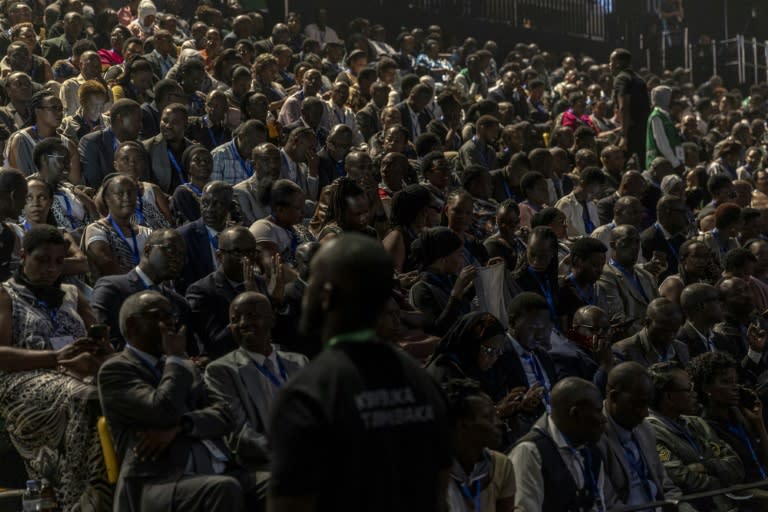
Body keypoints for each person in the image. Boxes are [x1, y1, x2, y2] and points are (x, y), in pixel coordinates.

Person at [268, 234, 452, 510]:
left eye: (312, 279)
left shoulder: (306, 396)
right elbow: (439, 496)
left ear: (326, 296)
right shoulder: (425, 385)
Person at [97, 290, 267, 512]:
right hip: (157, 482)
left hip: (216, 469)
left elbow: (226, 415)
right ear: (132, 325)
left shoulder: (182, 365)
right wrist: (176, 359)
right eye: (159, 315)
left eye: (172, 315)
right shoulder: (117, 370)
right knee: (223, 489)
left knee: (280, 483)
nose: (170, 323)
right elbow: (161, 410)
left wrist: (181, 426)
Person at [0, 225, 113, 510]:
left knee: (122, 389)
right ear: (23, 256)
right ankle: (77, 497)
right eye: (42, 260)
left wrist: (102, 350)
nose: (51, 269)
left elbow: (95, 339)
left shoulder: (73, 294)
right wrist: (57, 358)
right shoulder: (6, 295)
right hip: (23, 378)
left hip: (78, 371)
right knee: (86, 397)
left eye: (58, 262)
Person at [204, 291, 307, 465]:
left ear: (272, 319)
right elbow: (239, 434)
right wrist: (288, 453)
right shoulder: (221, 370)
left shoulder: (299, 362)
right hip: (265, 462)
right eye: (235, 319)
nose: (243, 323)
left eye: (251, 315)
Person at [646, 362, 744, 511]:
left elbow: (736, 466)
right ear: (669, 397)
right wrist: (722, 479)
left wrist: (705, 466)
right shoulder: (651, 432)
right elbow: (682, 479)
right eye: (689, 389)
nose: (695, 393)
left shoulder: (697, 422)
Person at [599, 362, 693, 511]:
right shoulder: (596, 438)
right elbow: (608, 505)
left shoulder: (645, 428)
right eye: (638, 404)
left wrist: (681, 506)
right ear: (614, 397)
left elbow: (665, 485)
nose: (645, 413)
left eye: (647, 404)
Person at [509, 377, 607, 512]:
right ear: (575, 413)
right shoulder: (530, 452)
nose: (604, 419)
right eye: (598, 411)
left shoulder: (591, 450)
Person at [90, 228, 194, 352]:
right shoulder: (112, 288)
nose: (177, 259)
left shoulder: (180, 304)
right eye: (171, 250)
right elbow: (101, 342)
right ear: (147, 250)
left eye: (181, 255)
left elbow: (189, 349)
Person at [186, 227, 281, 358]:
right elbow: (214, 344)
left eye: (250, 252)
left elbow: (276, 332)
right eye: (238, 252)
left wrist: (277, 303)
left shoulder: (260, 282)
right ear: (219, 255)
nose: (246, 259)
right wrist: (250, 306)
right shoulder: (202, 291)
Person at [689, 352, 768, 491]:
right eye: (726, 382)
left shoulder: (738, 415)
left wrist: (758, 422)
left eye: (735, 381)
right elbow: (732, 484)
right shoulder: (704, 428)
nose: (735, 387)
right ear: (706, 388)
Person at [443, 379, 516, 512]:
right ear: (463, 425)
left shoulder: (501, 465)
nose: (498, 422)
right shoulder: (432, 474)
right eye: (488, 417)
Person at [83, 173, 153, 279]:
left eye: (131, 192)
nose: (127, 198)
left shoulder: (147, 232)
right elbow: (107, 266)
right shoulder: (96, 229)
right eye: (120, 193)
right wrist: (145, 280)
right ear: (107, 199)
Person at [409, 227, 475, 336]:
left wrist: (475, 285)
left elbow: (460, 306)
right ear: (444, 259)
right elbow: (438, 330)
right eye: (459, 254)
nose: (462, 259)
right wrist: (456, 292)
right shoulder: (421, 290)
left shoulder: (448, 279)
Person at [6, 90, 80, 182]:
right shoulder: (21, 139)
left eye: (61, 109)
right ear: (37, 111)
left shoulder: (68, 145)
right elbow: (21, 181)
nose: (59, 113)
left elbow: (75, 183)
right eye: (54, 108)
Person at [598, 225, 659, 336]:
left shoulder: (646, 276)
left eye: (637, 242)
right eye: (627, 241)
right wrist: (654, 333)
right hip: (631, 340)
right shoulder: (606, 275)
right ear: (613, 245)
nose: (634, 246)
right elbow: (618, 321)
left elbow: (660, 310)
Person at [31, 137, 97, 238]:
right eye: (63, 160)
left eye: (69, 160)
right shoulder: (29, 192)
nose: (69, 165)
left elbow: (94, 214)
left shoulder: (69, 188)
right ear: (44, 159)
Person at [176, 180, 233, 293]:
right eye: (205, 203)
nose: (209, 209)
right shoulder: (184, 236)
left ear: (230, 206)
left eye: (217, 204)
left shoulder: (236, 235)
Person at [79, 98, 142, 188]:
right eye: (137, 121)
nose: (141, 126)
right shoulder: (91, 143)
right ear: (120, 120)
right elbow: (94, 183)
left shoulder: (138, 146)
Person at [111, 140, 173, 229]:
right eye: (126, 159)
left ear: (143, 164)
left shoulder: (152, 189)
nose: (132, 163)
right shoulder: (108, 193)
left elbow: (169, 222)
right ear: (116, 165)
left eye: (137, 159)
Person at [550, 305, 614, 383]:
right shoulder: (564, 356)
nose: (604, 334)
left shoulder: (610, 351)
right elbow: (581, 394)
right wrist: (605, 366)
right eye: (596, 329)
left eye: (607, 329)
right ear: (576, 329)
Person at [610, 49, 650, 169]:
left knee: (615, 161)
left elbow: (624, 106)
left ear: (616, 63)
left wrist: (624, 135)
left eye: (610, 62)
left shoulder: (621, 79)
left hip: (631, 131)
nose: (609, 65)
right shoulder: (640, 80)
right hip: (643, 130)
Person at [557, 237, 609, 331]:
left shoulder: (599, 291)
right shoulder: (563, 289)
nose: (600, 271)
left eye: (602, 266)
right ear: (577, 261)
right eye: (595, 265)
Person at [144, 103, 196, 194]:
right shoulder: (147, 148)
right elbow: (146, 185)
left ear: (186, 125)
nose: (168, 126)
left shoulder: (194, 150)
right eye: (165, 120)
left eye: (175, 122)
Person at [382, 184, 434, 274]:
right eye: (432, 208)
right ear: (424, 211)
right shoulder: (397, 237)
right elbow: (391, 278)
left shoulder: (422, 232)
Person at [640, 195, 690, 280]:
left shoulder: (681, 239)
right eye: (682, 212)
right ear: (668, 212)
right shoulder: (648, 240)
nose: (686, 218)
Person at [675, 283, 726, 358]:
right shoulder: (680, 343)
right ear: (701, 305)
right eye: (716, 300)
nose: (721, 304)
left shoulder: (721, 339)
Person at [210, 119, 264, 185]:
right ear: (241, 137)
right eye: (253, 144)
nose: (256, 149)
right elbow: (214, 191)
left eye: (260, 145)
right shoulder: (219, 155)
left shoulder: (260, 155)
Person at [554, 166, 605, 237]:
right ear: (582, 183)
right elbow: (557, 233)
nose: (594, 197)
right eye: (592, 192)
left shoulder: (592, 205)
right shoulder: (565, 204)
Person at [170, 144, 214, 225]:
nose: (203, 163)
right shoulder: (182, 193)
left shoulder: (218, 190)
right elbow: (191, 223)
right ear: (188, 166)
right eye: (197, 160)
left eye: (207, 160)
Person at [658, 240, 712, 304]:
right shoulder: (674, 283)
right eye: (696, 256)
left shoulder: (700, 281)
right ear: (683, 260)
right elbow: (676, 312)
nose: (702, 261)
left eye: (705, 256)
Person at [646, 85, 684, 171]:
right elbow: (662, 144)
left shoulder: (665, 116)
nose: (673, 101)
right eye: (670, 97)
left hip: (670, 163)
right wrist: (676, 163)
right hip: (660, 166)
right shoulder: (656, 116)